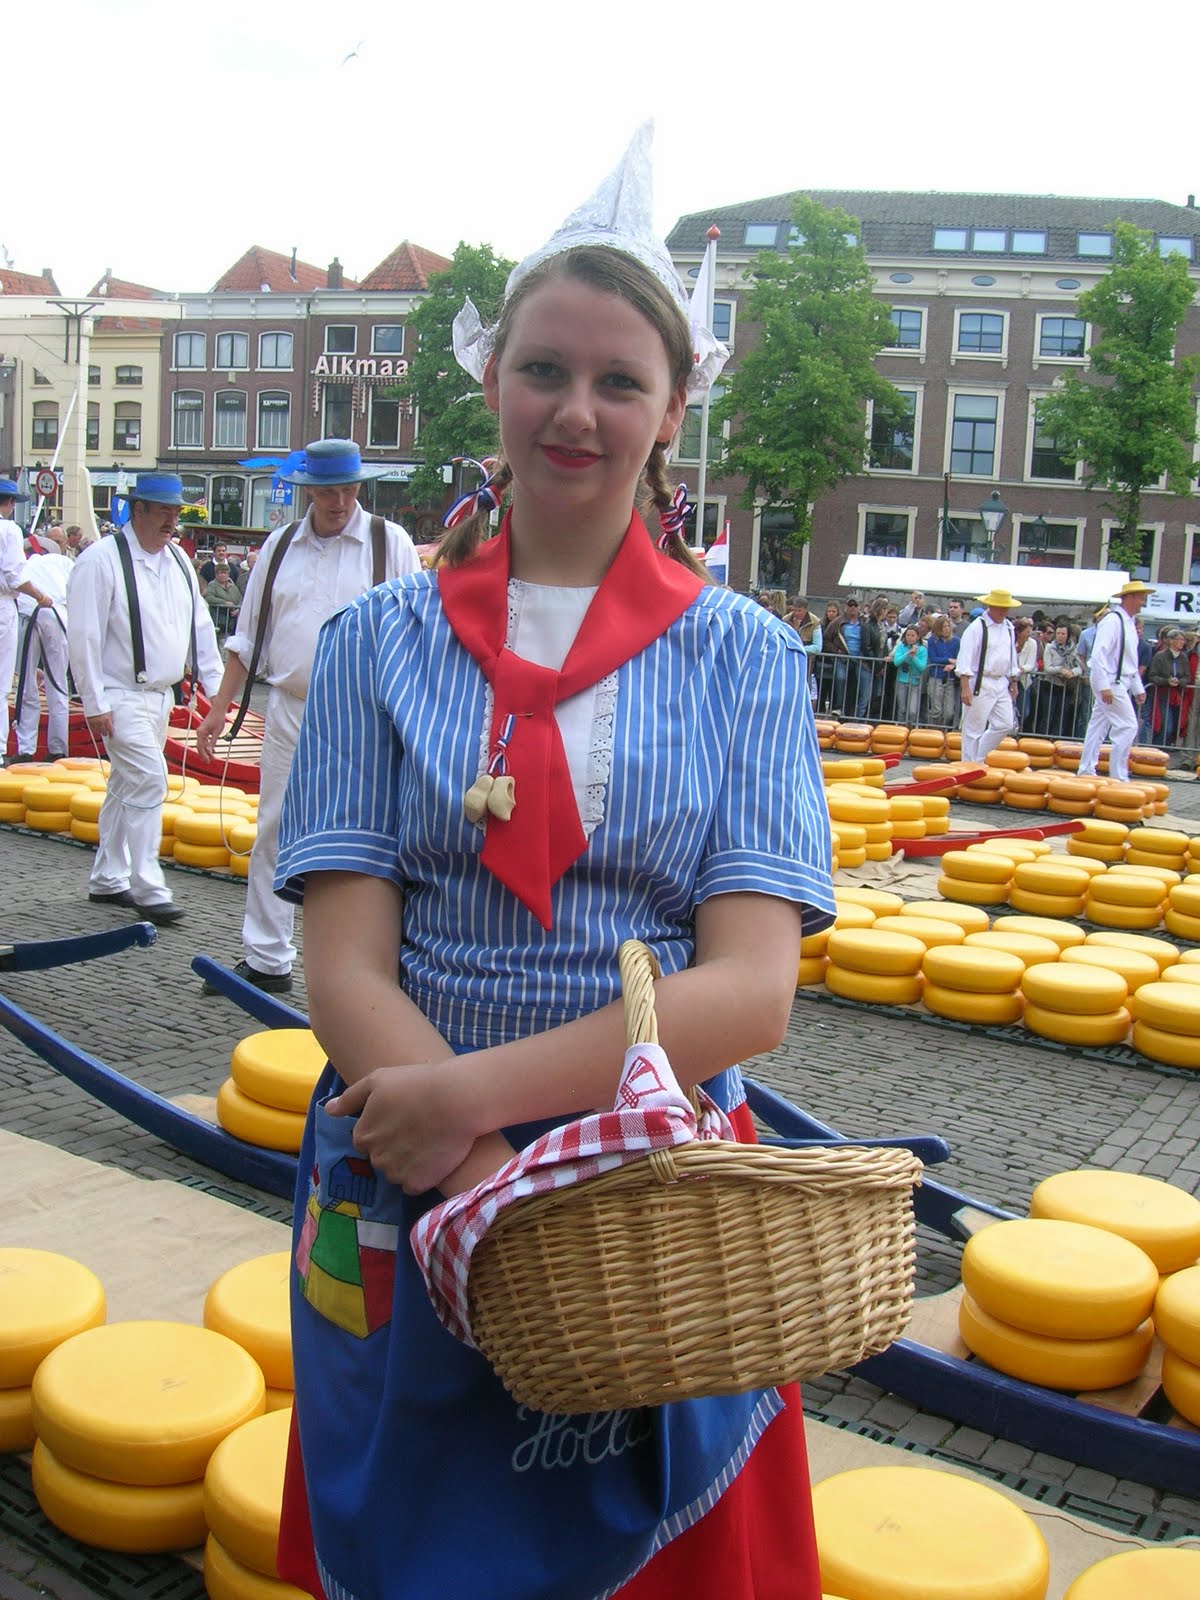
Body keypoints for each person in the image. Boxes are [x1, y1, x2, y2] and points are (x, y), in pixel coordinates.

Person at [272, 128, 834, 1600]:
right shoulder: (372, 646)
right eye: (546, 370)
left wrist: (497, 1122)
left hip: (642, 1211)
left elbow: (752, 992)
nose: (575, 411)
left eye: (619, 381)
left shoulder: (749, 662)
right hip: (410, 1169)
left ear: (673, 407)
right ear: (491, 380)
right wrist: (465, 1166)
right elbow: (341, 960)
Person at [194, 439, 420, 992]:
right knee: (272, 827)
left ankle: (369, 969)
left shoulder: (389, 544)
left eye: (347, 489)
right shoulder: (279, 547)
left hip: (363, 718)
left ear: (358, 487)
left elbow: (418, 638)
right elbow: (247, 638)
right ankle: (266, 957)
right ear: (308, 490)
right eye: (327, 490)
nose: (339, 500)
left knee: (367, 838)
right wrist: (219, 707)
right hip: (290, 708)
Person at [66, 472, 223, 923]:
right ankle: (148, 886)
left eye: (176, 513)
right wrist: (94, 702)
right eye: (164, 512)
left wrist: (216, 691)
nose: (172, 521)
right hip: (119, 695)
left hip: (159, 698)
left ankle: (107, 878)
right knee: (151, 781)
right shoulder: (100, 561)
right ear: (138, 511)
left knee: (125, 786)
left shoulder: (177, 560)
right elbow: (84, 636)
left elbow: (201, 629)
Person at [1, 477, 57, 766]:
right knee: (1, 684)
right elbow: (15, 576)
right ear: (9, 504)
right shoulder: (8, 530)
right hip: (3, 606)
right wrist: (41, 597)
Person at [1078, 581, 1153, 782]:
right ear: (1128, 598)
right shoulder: (1112, 621)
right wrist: (1104, 687)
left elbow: (1129, 659)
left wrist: (1137, 687)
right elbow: (1099, 656)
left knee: (1098, 726)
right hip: (1111, 681)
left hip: (1118, 680)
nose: (1142, 602)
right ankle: (1118, 775)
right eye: (1140, 597)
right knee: (1127, 726)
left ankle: (1086, 769)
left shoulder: (1128, 623)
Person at [13, 523, 73, 760]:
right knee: (57, 684)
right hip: (57, 617)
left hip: (29, 614)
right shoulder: (65, 563)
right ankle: (57, 749)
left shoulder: (25, 564)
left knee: (27, 685)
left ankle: (25, 749)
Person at [956, 588, 1021, 762]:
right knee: (973, 729)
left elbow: (1011, 655)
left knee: (1005, 723)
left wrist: (1014, 680)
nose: (1004, 612)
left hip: (1001, 681)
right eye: (1000, 607)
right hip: (979, 681)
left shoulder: (1008, 627)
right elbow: (965, 658)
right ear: (990, 606)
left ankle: (979, 756)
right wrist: (965, 687)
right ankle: (968, 764)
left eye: (1006, 608)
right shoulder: (977, 627)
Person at [1146, 628, 1193, 747]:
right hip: (1162, 695)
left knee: (1176, 727)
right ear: (1171, 641)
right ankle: (1156, 750)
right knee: (1165, 726)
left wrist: (1179, 682)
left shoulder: (1183, 657)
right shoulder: (1160, 656)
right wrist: (1167, 681)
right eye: (1179, 639)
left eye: (1183, 640)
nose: (1183, 642)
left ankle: (1164, 752)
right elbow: (1152, 676)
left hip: (1177, 697)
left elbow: (1187, 677)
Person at [1040, 620, 1084, 739]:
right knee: (1047, 715)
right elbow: (1048, 667)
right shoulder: (1050, 648)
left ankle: (1056, 740)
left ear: (1068, 635)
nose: (1060, 636)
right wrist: (1061, 670)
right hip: (1050, 685)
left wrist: (1072, 673)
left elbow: (1080, 667)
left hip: (1065, 687)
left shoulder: (1074, 649)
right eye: (1058, 633)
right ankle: (1043, 739)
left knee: (1061, 716)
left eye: (1063, 634)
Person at [924, 615, 959, 726]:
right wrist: (949, 660)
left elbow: (959, 658)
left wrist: (954, 665)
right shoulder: (932, 641)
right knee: (936, 709)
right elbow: (933, 658)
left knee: (949, 712)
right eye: (944, 627)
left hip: (950, 679)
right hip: (936, 677)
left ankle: (943, 731)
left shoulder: (956, 641)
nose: (947, 629)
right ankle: (932, 732)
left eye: (948, 626)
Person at [891, 624, 927, 725]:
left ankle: (911, 730)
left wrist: (914, 657)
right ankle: (900, 730)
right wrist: (907, 654)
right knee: (902, 709)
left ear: (917, 637)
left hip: (915, 682)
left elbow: (922, 667)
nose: (910, 638)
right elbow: (896, 662)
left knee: (912, 711)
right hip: (902, 681)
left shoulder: (923, 649)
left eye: (912, 636)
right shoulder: (901, 647)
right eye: (908, 635)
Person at [202, 559, 242, 638]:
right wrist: (224, 603)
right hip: (218, 619)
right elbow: (208, 597)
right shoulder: (212, 585)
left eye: (225, 573)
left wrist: (238, 609)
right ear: (216, 574)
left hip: (232, 622)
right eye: (220, 573)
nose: (222, 575)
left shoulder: (233, 587)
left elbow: (240, 599)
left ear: (228, 574)